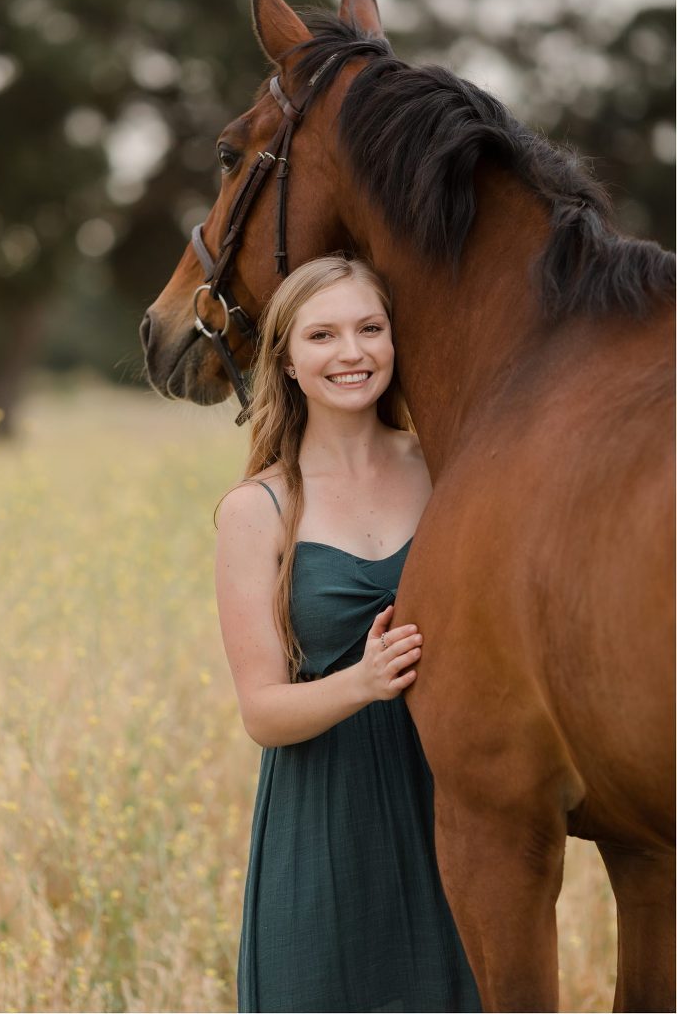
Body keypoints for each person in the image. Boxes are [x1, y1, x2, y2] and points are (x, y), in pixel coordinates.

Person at [215, 255, 480, 1014]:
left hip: (453, 804)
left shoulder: (448, 465)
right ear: (286, 361)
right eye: (322, 335)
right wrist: (362, 682)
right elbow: (262, 712)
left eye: (370, 327)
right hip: (327, 821)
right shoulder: (257, 509)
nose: (352, 352)